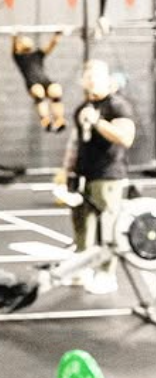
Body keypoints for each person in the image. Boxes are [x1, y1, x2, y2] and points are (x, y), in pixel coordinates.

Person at [62, 58, 135, 294]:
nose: (91, 81)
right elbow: (75, 144)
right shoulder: (81, 109)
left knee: (108, 228)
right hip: (83, 175)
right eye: (88, 76)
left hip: (108, 176)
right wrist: (67, 172)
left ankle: (106, 274)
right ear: (82, 80)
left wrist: (99, 123)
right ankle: (81, 270)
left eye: (96, 76)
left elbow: (126, 138)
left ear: (106, 79)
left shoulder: (117, 106)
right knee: (82, 227)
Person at [12, 31, 66, 132]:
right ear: (19, 45)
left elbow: (51, 46)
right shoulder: (18, 57)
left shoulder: (38, 54)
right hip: (33, 83)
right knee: (39, 92)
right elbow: (14, 44)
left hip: (44, 80)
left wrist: (57, 35)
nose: (27, 42)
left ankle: (59, 120)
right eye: (23, 41)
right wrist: (14, 35)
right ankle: (46, 120)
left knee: (56, 90)